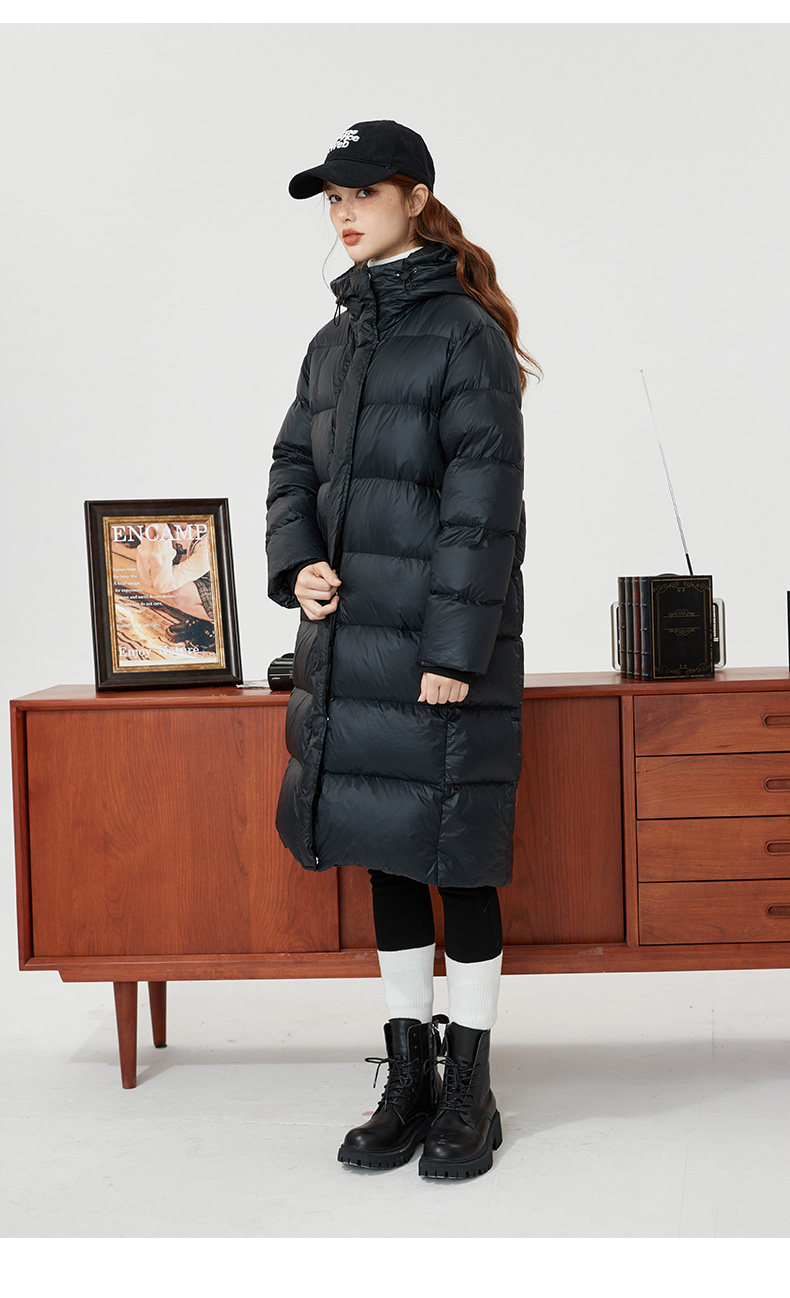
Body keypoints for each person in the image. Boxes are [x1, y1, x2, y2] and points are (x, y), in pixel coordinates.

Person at [265, 119, 541, 1179]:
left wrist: (456, 651)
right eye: (331, 201)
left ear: (415, 198)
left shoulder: (465, 333)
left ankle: (470, 1086)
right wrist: (300, 563)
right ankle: (408, 1076)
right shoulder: (333, 341)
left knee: (455, 858)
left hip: (437, 649)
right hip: (352, 648)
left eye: (361, 195)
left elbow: (483, 505)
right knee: (385, 849)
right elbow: (292, 466)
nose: (342, 215)